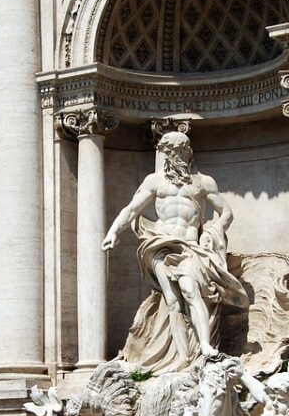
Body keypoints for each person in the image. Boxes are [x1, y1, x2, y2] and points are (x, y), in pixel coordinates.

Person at [103, 131, 248, 372]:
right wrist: (113, 232)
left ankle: (205, 348)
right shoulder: (154, 181)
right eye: (168, 152)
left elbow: (226, 212)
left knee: (191, 290)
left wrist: (214, 232)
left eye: (177, 152)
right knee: (172, 301)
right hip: (160, 244)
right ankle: (182, 357)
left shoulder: (203, 182)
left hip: (190, 246)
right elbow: (130, 210)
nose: (172, 157)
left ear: (187, 152)